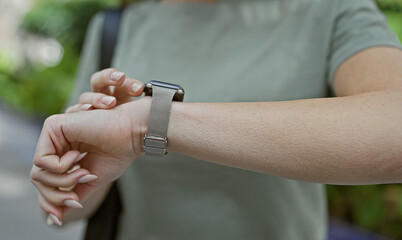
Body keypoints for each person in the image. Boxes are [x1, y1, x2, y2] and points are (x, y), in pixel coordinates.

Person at [30, 0, 402, 239]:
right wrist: (76, 177)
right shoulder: (117, 26)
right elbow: (65, 212)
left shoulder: (331, 10)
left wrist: (150, 123)